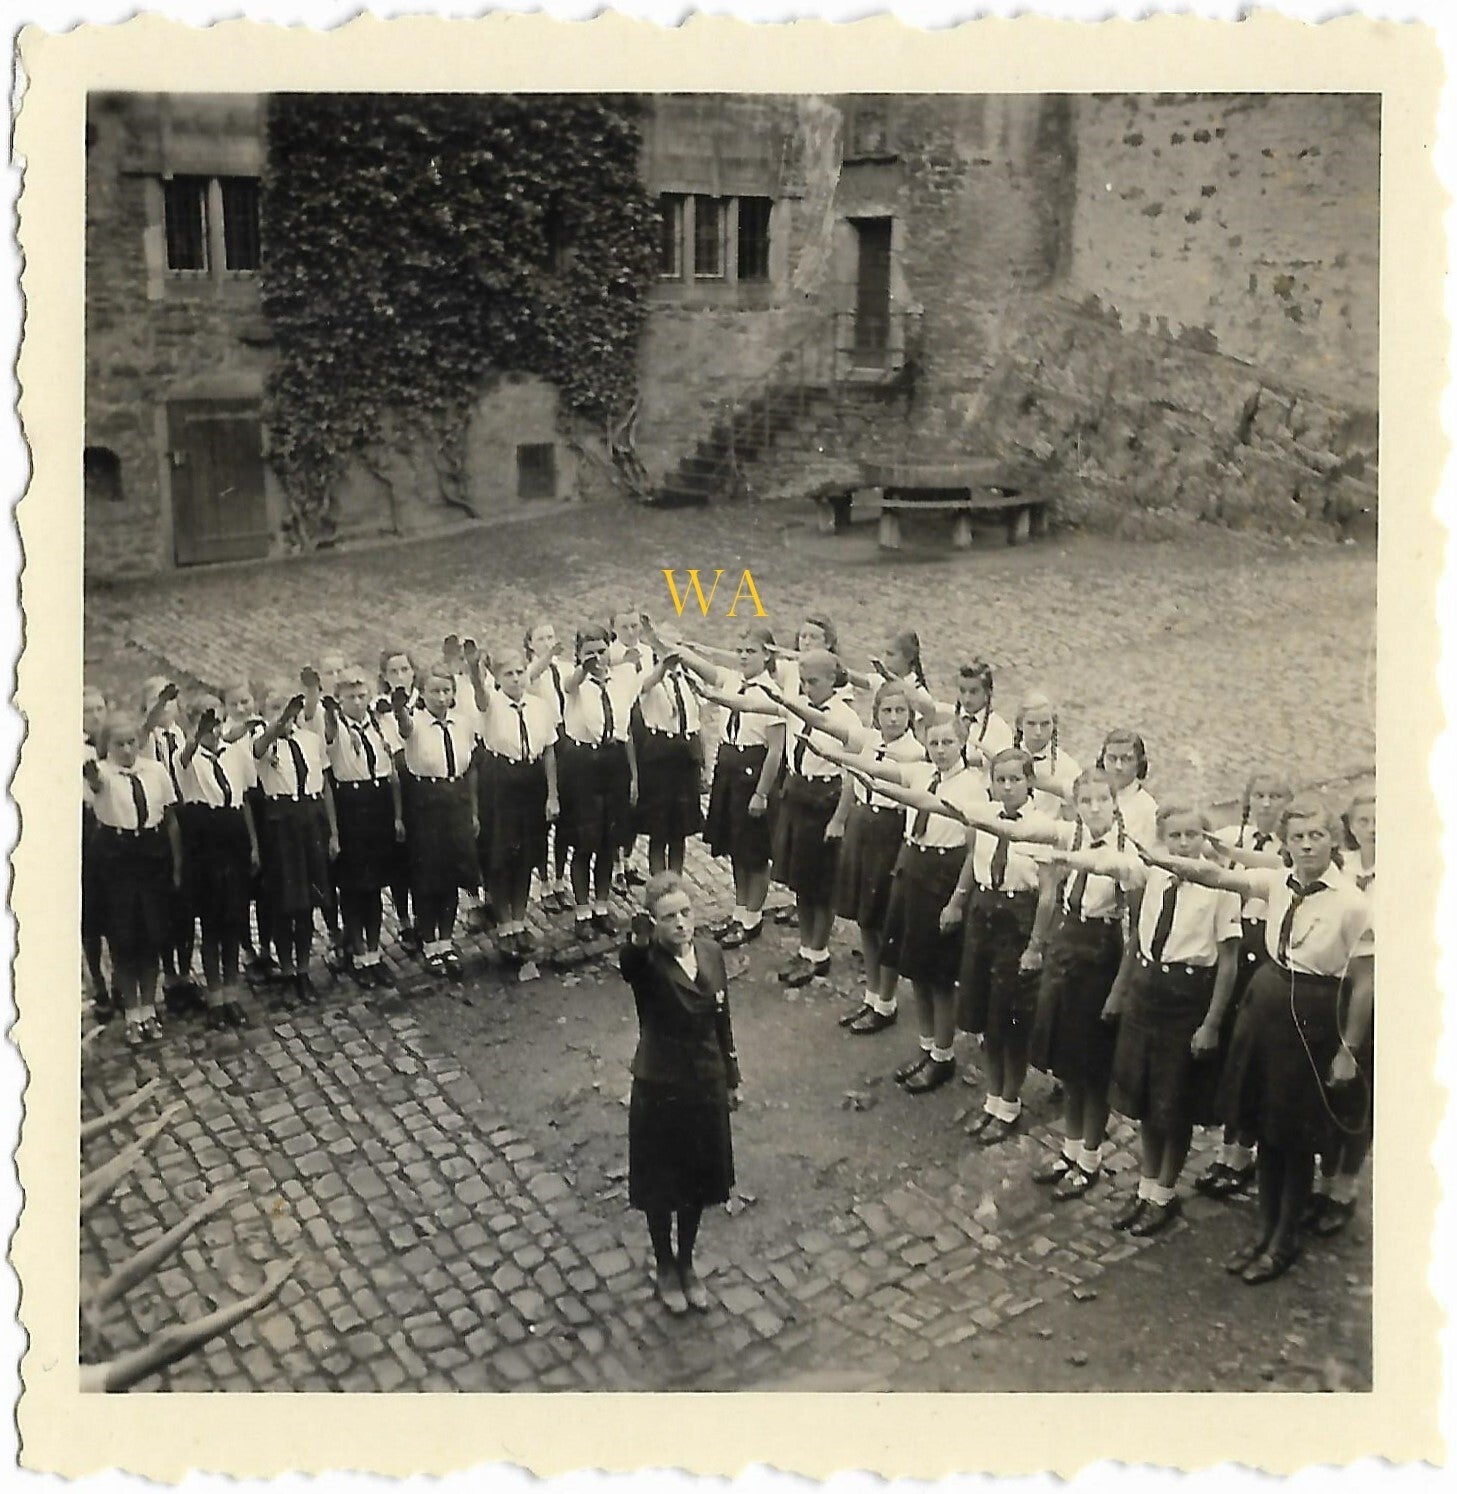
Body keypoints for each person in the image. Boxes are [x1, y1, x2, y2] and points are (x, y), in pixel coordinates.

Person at [1137, 793, 1373, 1283]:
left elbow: (1366, 982)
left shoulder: (1352, 902)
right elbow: (1218, 876)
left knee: (1294, 1136)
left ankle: (1284, 1240)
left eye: (1317, 836)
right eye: (1297, 837)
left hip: (1314, 1016)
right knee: (1265, 1129)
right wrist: (1162, 859)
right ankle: (1263, 1230)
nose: (1307, 846)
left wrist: (1348, 1050)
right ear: (1286, 843)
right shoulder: (1277, 882)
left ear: (1334, 839)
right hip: (1266, 1009)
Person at [1043, 803, 1243, 1236]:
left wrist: (1211, 1024)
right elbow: (1135, 931)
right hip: (1148, 993)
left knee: (1176, 1105)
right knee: (1149, 1103)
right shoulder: (1152, 875)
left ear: (1205, 839)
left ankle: (1164, 1194)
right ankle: (1146, 1188)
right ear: (1161, 840)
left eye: (1192, 835)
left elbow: (1228, 962)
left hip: (1188, 997)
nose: (1183, 844)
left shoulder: (1220, 887)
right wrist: (1122, 992)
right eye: (1175, 836)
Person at [840, 716, 996, 1094]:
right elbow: (877, 770)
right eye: (934, 743)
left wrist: (956, 901)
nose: (940, 750)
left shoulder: (973, 787)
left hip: (943, 874)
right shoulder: (918, 773)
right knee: (915, 967)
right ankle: (926, 1047)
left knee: (939, 974)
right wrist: (837, 755)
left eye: (948, 743)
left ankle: (943, 1055)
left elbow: (974, 852)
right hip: (912, 867)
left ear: (962, 743)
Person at [620, 872, 740, 1316]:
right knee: (660, 1182)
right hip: (661, 1084)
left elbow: (722, 1018)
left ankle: (686, 1261)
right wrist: (638, 940)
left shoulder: (710, 952)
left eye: (686, 913)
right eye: (669, 917)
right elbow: (629, 965)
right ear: (654, 923)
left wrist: (731, 1075)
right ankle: (664, 1264)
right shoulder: (648, 963)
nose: (681, 924)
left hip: (704, 1081)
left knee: (697, 1179)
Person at [944, 748, 1063, 1138]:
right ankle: (992, 1099)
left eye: (1015, 779)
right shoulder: (984, 817)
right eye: (1000, 779)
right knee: (985, 1018)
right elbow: (971, 861)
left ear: (1029, 782)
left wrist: (1035, 946)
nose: (1008, 787)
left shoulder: (1043, 828)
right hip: (984, 917)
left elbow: (1048, 895)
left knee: (1010, 1022)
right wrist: (957, 901)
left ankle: (1009, 1105)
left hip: (1018, 923)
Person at [1023, 768, 1130, 1198]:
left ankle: (1089, 1158)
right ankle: (1069, 1150)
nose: (1094, 808)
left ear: (1115, 804)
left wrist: (1119, 988)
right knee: (1068, 1062)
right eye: (1086, 801)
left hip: (1101, 952)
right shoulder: (1072, 839)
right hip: (1069, 944)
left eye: (1102, 800)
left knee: (1092, 1066)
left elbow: (1133, 923)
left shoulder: (1127, 852)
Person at [1194, 770, 1294, 1200]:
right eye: (1260, 795)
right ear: (1248, 800)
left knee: (1255, 1056)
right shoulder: (1228, 836)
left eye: (1276, 796)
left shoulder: (1291, 850)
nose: (1267, 803)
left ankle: (1243, 1153)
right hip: (1230, 947)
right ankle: (1226, 1148)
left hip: (1266, 953)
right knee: (1229, 1055)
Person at [820, 680, 927, 1035]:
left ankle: (886, 1001)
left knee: (885, 921)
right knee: (865, 918)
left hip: (890, 833)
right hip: (863, 826)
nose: (893, 718)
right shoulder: (869, 741)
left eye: (900, 711)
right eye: (887, 711)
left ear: (911, 716)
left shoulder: (916, 753)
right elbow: (852, 781)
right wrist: (840, 819)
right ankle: (871, 994)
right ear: (876, 713)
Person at [757, 653, 862, 985]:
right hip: (798, 795)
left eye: (814, 681)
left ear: (832, 679)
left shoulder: (845, 718)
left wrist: (839, 819)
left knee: (822, 884)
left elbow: (852, 775)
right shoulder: (797, 707)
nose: (807, 687)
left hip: (825, 800)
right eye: (803, 681)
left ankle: (819, 951)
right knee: (801, 881)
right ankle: (805, 948)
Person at [683, 625, 786, 949]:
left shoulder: (771, 693)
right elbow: (703, 667)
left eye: (751, 651)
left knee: (755, 853)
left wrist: (761, 793)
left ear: (767, 655)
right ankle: (740, 912)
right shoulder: (732, 681)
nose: (743, 657)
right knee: (736, 849)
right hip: (729, 767)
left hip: (753, 772)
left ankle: (752, 917)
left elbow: (776, 750)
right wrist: (668, 644)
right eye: (740, 651)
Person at [83, 710, 182, 1046]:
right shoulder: (102, 774)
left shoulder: (154, 771)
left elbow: (170, 819)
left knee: (151, 936)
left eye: (131, 743)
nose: (126, 750)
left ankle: (149, 1008)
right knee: (124, 939)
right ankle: (132, 1013)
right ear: (107, 746)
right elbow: (96, 784)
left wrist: (176, 866)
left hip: (151, 855)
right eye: (119, 744)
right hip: (117, 858)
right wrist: (92, 773)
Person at [1307, 784, 1376, 1236]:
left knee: (1357, 1094)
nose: (1373, 829)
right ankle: (1323, 1180)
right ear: (1350, 826)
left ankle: (1344, 1189)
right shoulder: (1341, 866)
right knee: (1325, 1089)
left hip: (1372, 993)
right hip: (1331, 989)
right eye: (1364, 821)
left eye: (1381, 821)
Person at [466, 642, 559, 962]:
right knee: (500, 856)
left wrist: (552, 795)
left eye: (520, 672)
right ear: (497, 677)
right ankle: (504, 924)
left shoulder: (539, 707)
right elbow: (479, 693)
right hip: (499, 782)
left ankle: (519, 921)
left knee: (526, 856)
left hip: (531, 782)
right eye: (508, 674)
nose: (516, 678)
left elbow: (549, 750)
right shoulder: (490, 704)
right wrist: (475, 670)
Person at [392, 662, 479, 977]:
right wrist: (400, 710)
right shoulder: (415, 723)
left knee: (452, 874)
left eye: (446, 691)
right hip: (426, 804)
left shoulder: (462, 723)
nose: (441, 698)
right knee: (428, 877)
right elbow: (404, 728)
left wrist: (473, 812)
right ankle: (429, 943)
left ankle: (446, 940)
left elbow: (470, 768)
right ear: (422, 693)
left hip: (456, 800)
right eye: (434, 691)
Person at [176, 693, 257, 1028]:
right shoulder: (187, 757)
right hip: (205, 839)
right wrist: (197, 736)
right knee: (211, 924)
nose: (214, 730)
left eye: (218, 723)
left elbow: (243, 800)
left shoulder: (233, 753)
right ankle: (215, 997)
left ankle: (232, 993)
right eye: (206, 724)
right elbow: (184, 759)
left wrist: (253, 845)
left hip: (233, 834)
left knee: (233, 920)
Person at [253, 682, 337, 1003]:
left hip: (310, 820)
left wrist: (333, 832)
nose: (286, 715)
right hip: (281, 823)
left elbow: (324, 785)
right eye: (276, 708)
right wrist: (278, 723)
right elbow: (259, 747)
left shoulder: (311, 740)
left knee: (307, 901)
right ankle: (287, 970)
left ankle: (303, 970)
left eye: (291, 709)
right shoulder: (263, 742)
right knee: (284, 901)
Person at [558, 623, 643, 937]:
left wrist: (633, 777)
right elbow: (570, 684)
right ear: (578, 655)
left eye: (601, 651)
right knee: (584, 843)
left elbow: (626, 731)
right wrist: (584, 668)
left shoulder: (621, 681)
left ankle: (602, 907)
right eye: (589, 652)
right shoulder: (575, 684)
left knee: (609, 842)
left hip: (614, 762)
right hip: (582, 765)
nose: (596, 658)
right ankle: (582, 912)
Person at [323, 663, 404, 987]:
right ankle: (358, 954)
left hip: (378, 804)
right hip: (351, 807)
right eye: (350, 697)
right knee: (354, 887)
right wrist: (334, 832)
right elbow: (329, 778)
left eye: (361, 695)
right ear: (339, 700)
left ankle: (373, 953)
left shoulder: (379, 725)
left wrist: (397, 816)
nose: (357, 702)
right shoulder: (335, 730)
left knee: (374, 886)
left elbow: (392, 774)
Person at [632, 624, 711, 876]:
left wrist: (705, 762)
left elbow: (700, 720)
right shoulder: (650, 673)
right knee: (659, 828)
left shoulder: (689, 677)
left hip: (687, 752)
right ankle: (659, 883)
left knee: (680, 829)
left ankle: (675, 881)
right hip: (660, 754)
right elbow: (644, 686)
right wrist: (663, 666)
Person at [142, 678, 200, 1014]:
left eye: (170, 700)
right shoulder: (146, 738)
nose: (166, 706)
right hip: (162, 818)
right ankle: (170, 976)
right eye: (157, 700)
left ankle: (186, 971)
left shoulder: (179, 734)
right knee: (166, 900)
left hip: (185, 815)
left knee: (186, 903)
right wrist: (158, 703)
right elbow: (147, 725)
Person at [524, 620, 573, 913]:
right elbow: (531, 675)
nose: (547, 642)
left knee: (566, 818)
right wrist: (547, 656)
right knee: (542, 819)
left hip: (567, 739)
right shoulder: (529, 672)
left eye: (551, 637)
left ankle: (559, 880)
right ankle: (542, 882)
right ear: (530, 644)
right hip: (543, 741)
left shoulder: (564, 668)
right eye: (541, 638)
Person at [375, 647, 422, 953]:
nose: (400, 676)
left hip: (422, 782)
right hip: (395, 783)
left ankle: (424, 915)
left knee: (423, 853)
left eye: (405, 670)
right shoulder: (378, 710)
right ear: (384, 677)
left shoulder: (422, 701)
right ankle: (404, 919)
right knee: (399, 856)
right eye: (394, 672)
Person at [82, 686, 111, 1020]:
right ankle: (98, 981)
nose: (94, 716)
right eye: (87, 711)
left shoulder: (114, 746)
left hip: (114, 830)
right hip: (88, 830)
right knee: (90, 915)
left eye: (99, 709)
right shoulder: (75, 751)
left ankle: (121, 980)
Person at [1014, 691, 1081, 820]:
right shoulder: (1005, 758)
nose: (1038, 732)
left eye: (1045, 724)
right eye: (1031, 724)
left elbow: (1072, 816)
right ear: (1019, 725)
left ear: (1054, 725)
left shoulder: (1067, 766)